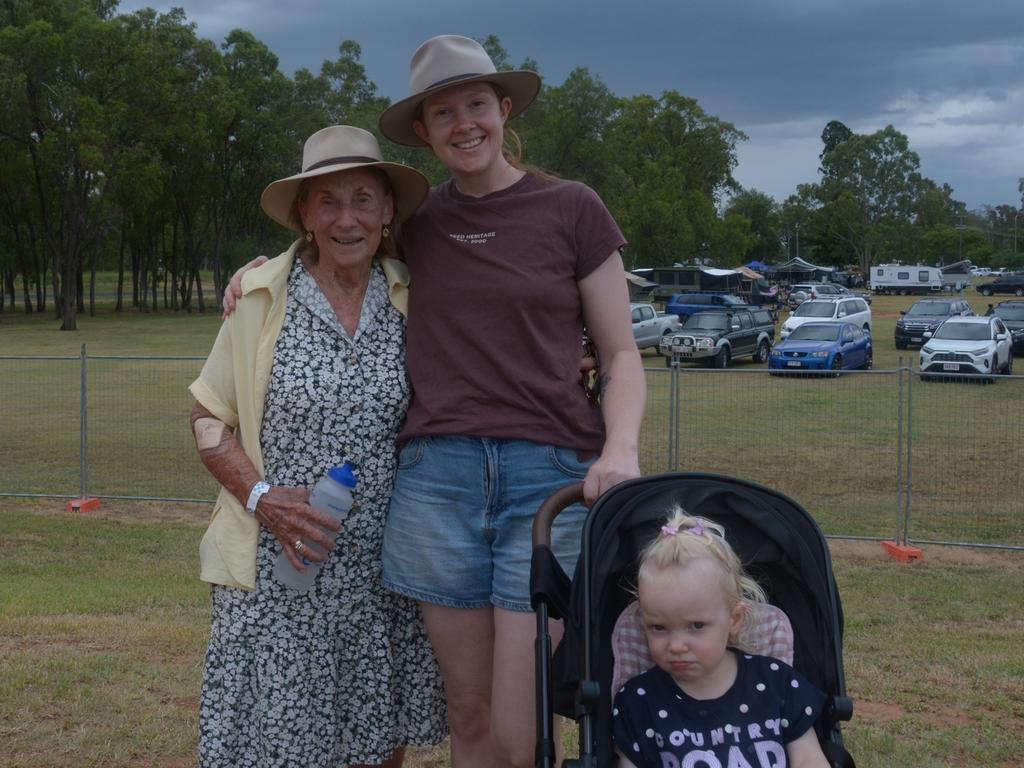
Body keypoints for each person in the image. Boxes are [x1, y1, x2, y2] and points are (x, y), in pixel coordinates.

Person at [224, 36, 646, 768]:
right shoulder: (417, 226)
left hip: (544, 480)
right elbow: (334, 243)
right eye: (442, 112)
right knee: (468, 712)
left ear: (503, 108)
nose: (463, 124)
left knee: (522, 727)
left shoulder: (572, 209)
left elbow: (618, 353)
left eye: (476, 105)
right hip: (437, 480)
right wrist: (258, 272)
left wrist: (621, 449)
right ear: (423, 132)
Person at [189, 125, 447, 768]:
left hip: (383, 571)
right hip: (282, 569)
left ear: (388, 211)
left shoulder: (419, 295)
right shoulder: (258, 298)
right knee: (276, 742)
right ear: (304, 213)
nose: (347, 218)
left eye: (363, 199)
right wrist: (263, 497)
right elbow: (207, 419)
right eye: (327, 202)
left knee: (375, 739)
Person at [612, 510, 829, 768]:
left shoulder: (777, 684)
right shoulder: (638, 701)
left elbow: (808, 759)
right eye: (658, 627)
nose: (677, 646)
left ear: (734, 620)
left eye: (696, 626)